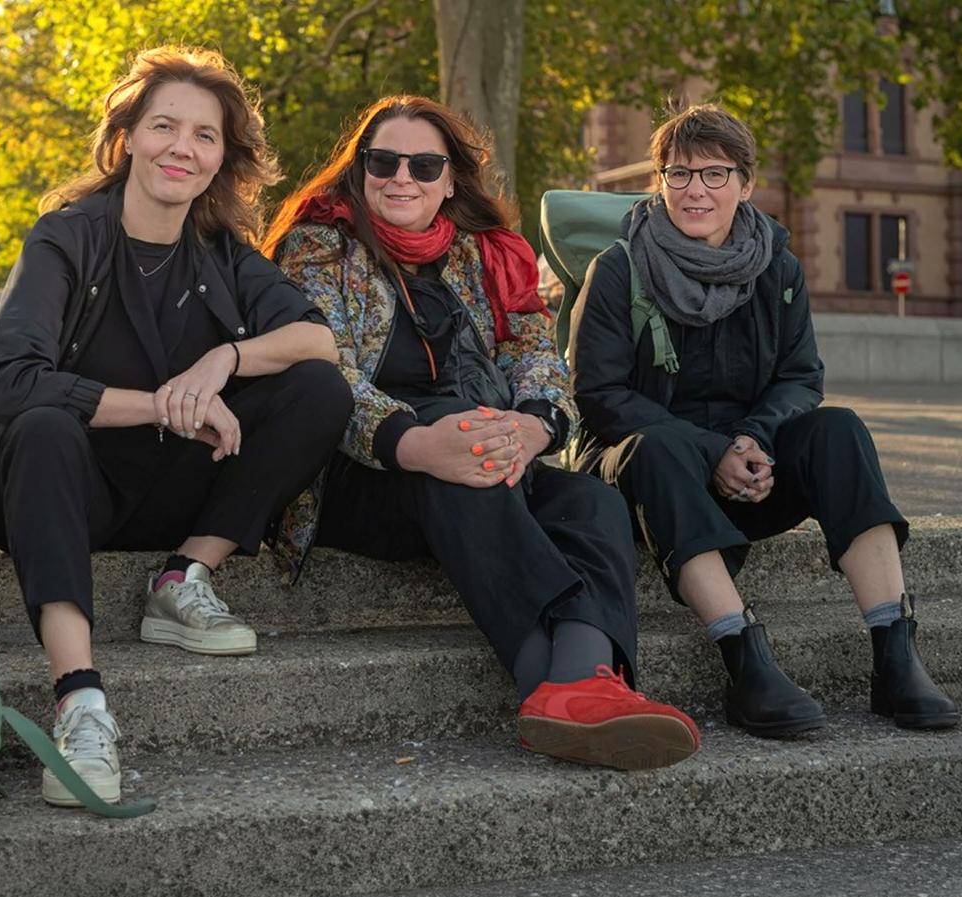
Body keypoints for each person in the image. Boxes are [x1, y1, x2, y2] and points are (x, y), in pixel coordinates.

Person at [0, 47, 350, 807]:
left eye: (205, 135)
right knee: (39, 427)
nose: (182, 148)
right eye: (164, 126)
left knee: (319, 390)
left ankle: (181, 577)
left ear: (222, 157)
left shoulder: (221, 252)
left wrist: (222, 363)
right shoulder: (66, 237)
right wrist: (167, 404)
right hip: (59, 486)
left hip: (170, 489)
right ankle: (80, 702)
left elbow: (321, 341)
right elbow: (10, 378)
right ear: (127, 135)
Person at [264, 95, 700, 771]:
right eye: (383, 161)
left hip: (487, 457)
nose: (401, 176)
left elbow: (535, 356)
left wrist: (533, 426)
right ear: (360, 169)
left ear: (450, 179)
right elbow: (323, 374)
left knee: (591, 501)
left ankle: (582, 683)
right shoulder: (318, 248)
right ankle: (548, 683)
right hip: (365, 474)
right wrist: (416, 440)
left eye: (424, 163)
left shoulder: (484, 255)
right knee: (459, 440)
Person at [572, 103, 958, 736]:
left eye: (715, 174)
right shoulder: (619, 269)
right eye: (679, 173)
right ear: (660, 181)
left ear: (746, 185)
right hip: (645, 476)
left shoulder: (778, 268)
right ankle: (745, 657)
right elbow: (600, 395)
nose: (695, 189)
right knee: (659, 447)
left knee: (840, 430)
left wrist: (752, 440)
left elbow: (801, 376)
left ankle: (895, 653)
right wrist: (711, 452)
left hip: (753, 470)